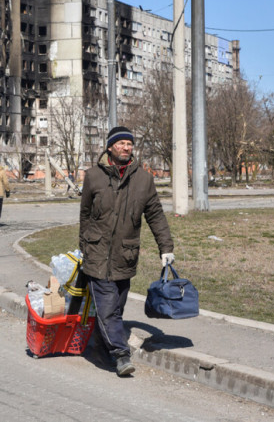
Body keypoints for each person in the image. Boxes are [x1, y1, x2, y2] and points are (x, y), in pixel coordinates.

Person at [79, 126, 175, 377]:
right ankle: (121, 355)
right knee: (108, 307)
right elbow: (85, 216)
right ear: (110, 147)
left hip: (126, 253)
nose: (126, 147)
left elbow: (155, 215)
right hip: (97, 253)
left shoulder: (144, 179)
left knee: (115, 308)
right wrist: (83, 248)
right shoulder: (93, 176)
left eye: (129, 144)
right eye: (121, 143)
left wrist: (166, 248)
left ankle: (99, 348)